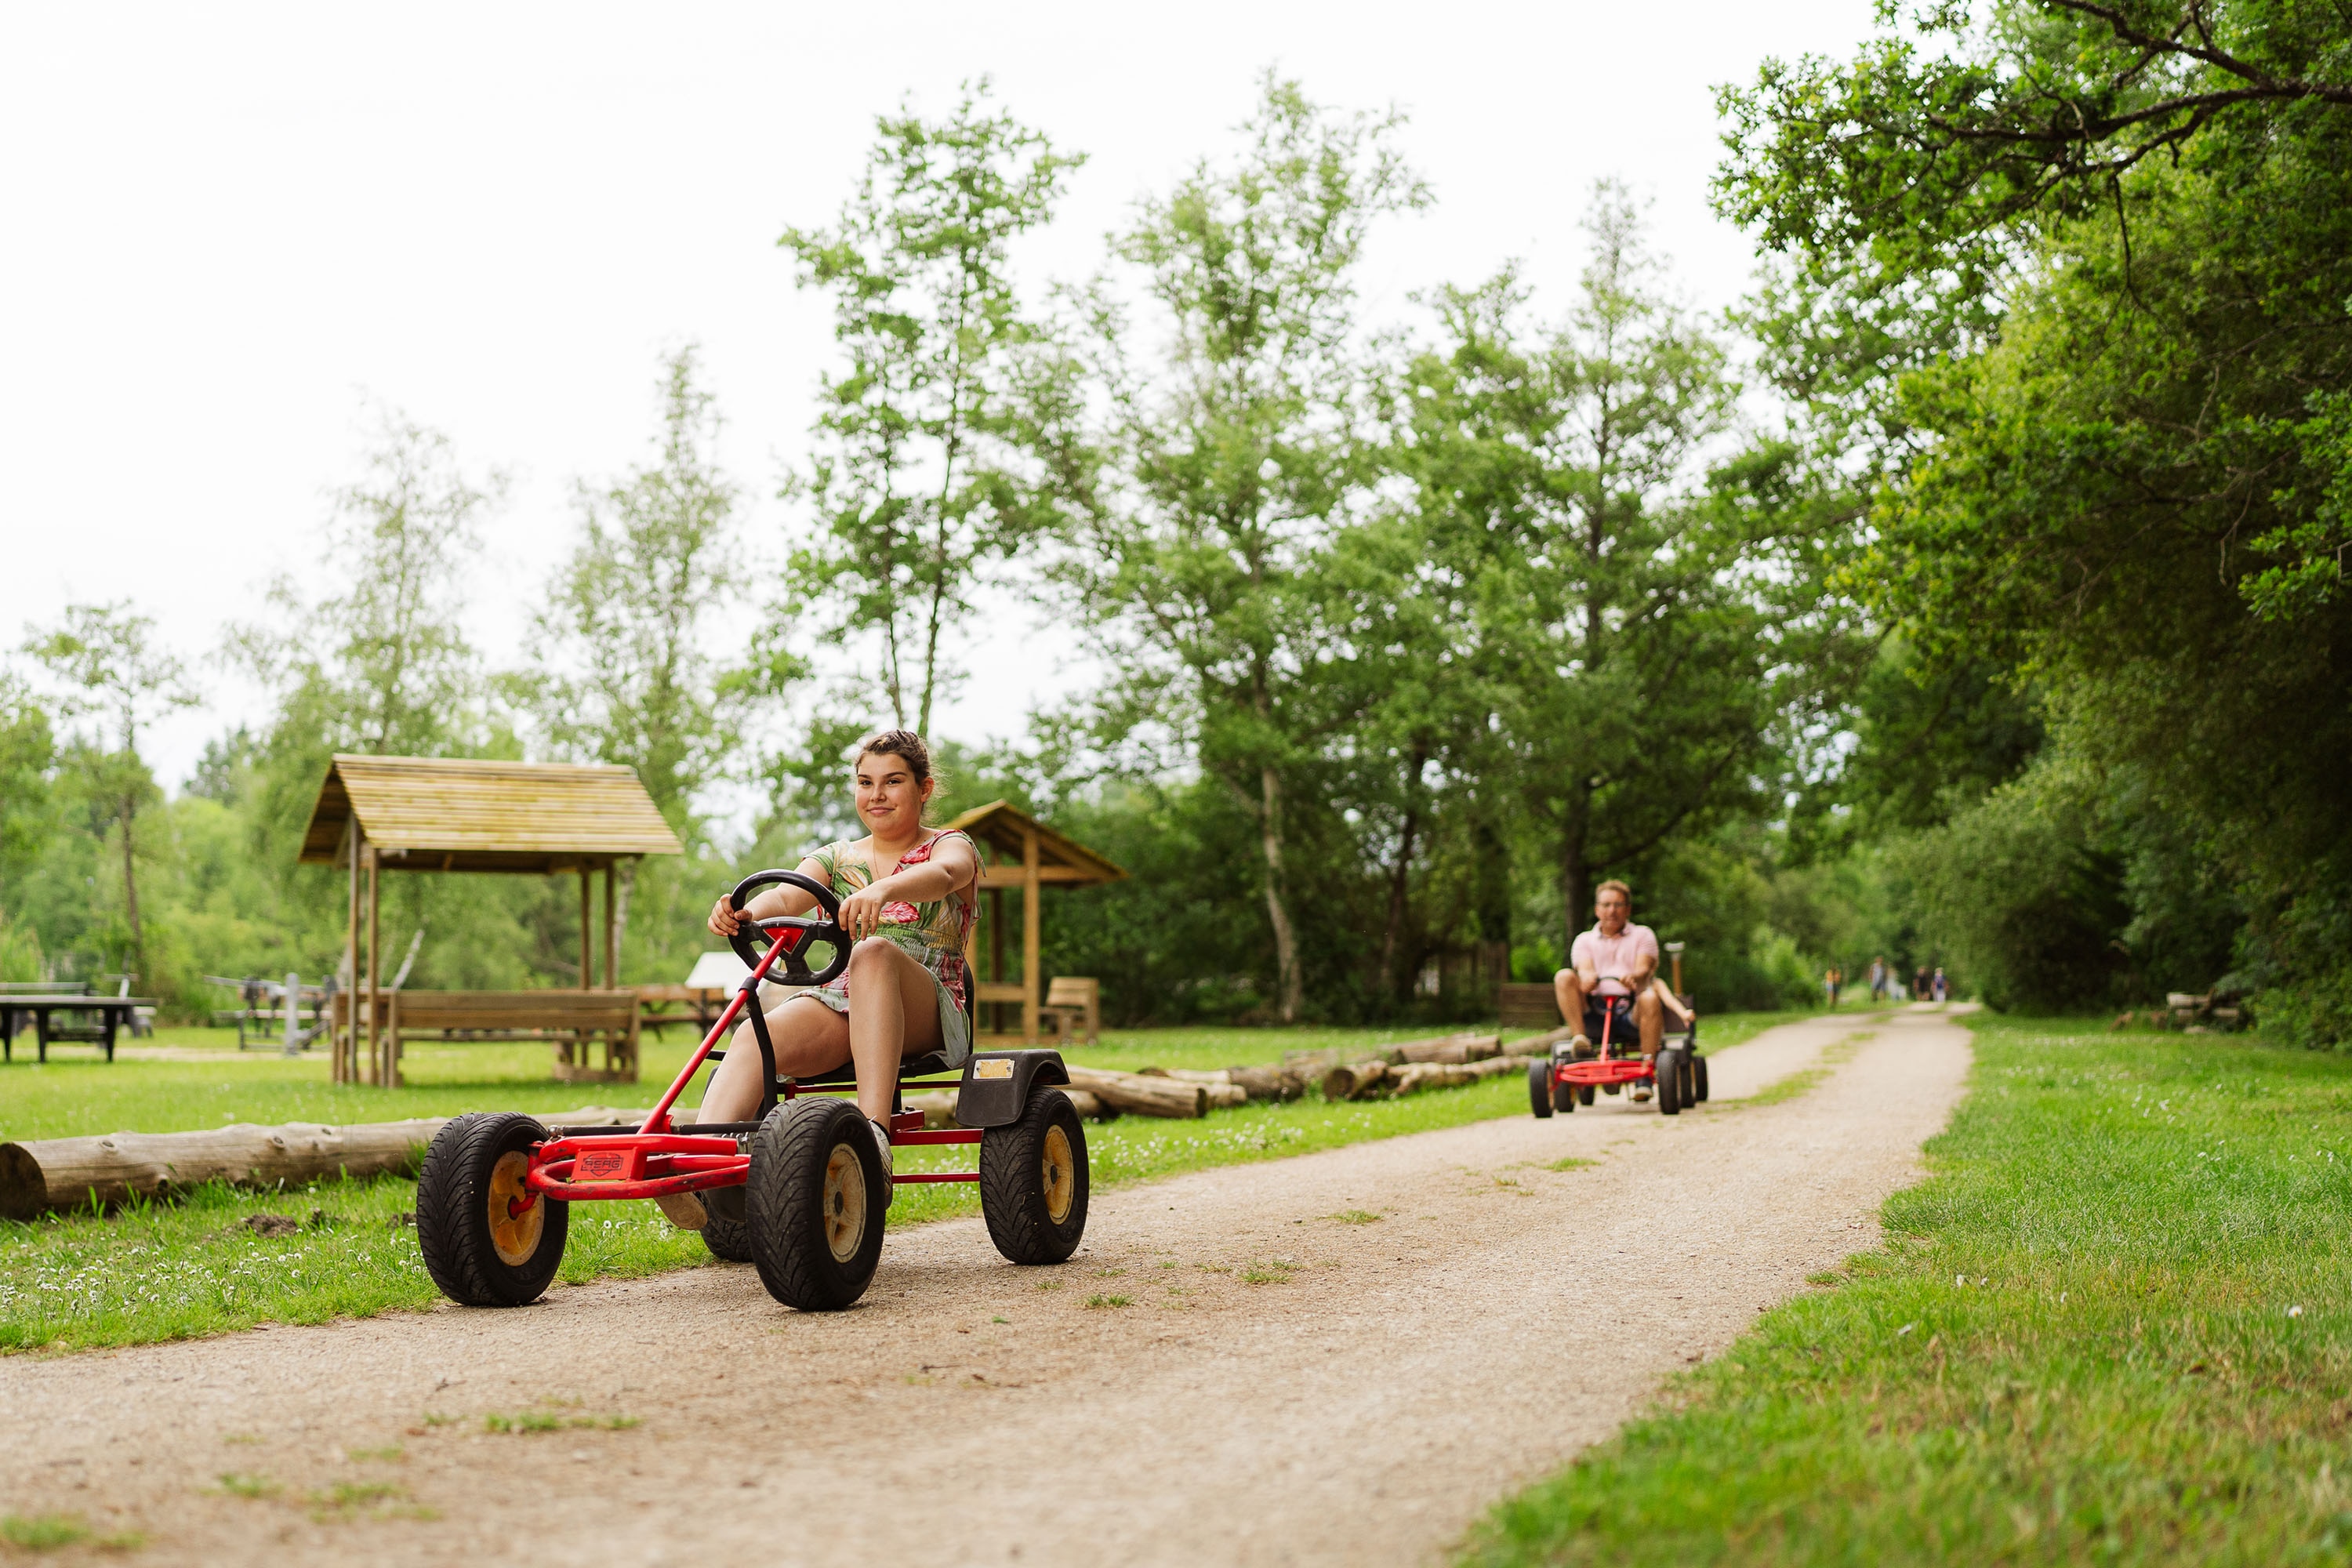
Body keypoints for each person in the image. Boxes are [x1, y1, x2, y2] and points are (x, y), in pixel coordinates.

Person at [677, 729, 980, 1228]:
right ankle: (707, 1170)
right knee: (756, 1032)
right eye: (865, 782)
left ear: (923, 790)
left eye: (892, 782)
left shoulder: (951, 846)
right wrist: (744, 911)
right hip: (842, 1000)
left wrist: (883, 890)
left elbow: (946, 876)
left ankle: (872, 1142)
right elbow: (783, 898)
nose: (876, 795)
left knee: (874, 953)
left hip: (929, 1006)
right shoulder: (837, 857)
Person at [1551, 880, 1664, 1100]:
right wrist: (1587, 979)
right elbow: (1584, 969)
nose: (1612, 911)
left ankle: (1645, 1074)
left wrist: (1635, 977)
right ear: (1597, 909)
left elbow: (1644, 968)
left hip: (1630, 1012)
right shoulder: (1584, 940)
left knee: (1650, 997)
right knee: (1564, 976)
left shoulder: (1643, 935)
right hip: (1595, 1012)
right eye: (1606, 905)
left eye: (1618, 905)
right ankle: (1580, 1040)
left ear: (1628, 909)